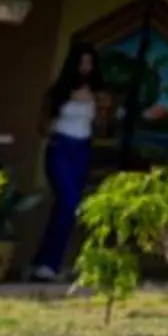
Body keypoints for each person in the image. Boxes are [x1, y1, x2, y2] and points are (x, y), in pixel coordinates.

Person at [31, 44, 105, 280]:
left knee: (68, 208)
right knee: (69, 200)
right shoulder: (59, 92)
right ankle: (48, 263)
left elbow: (102, 128)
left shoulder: (98, 93)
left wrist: (102, 107)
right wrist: (52, 130)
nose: (86, 67)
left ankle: (47, 262)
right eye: (82, 62)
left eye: (90, 63)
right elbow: (42, 125)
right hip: (61, 147)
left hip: (82, 149)